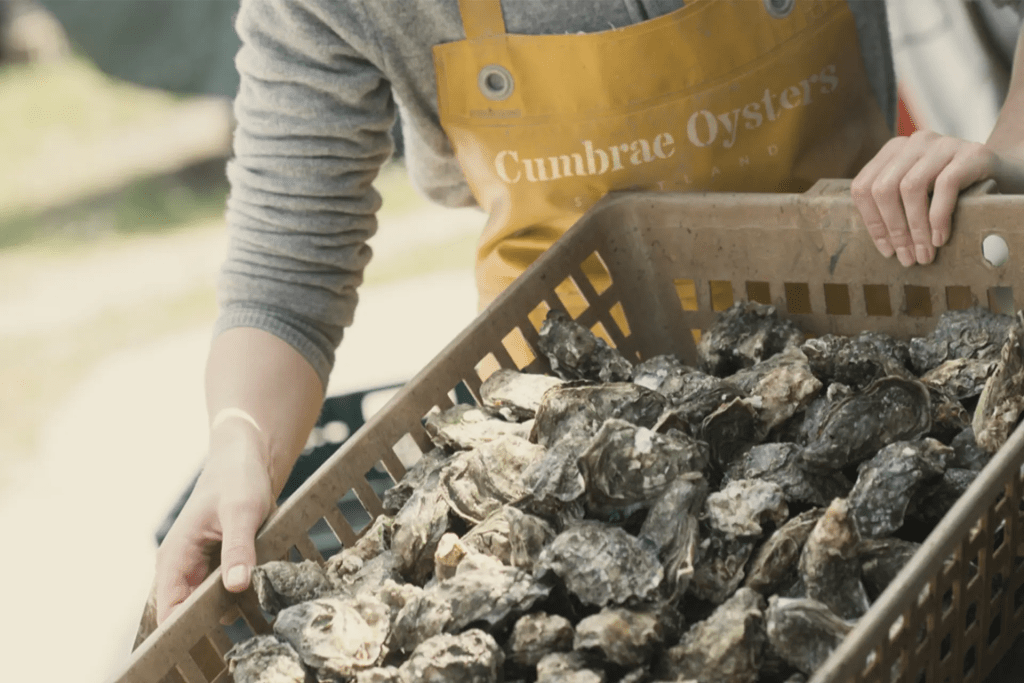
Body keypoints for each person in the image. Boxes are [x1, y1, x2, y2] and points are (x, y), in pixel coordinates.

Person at [153, 0, 1024, 625]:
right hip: (562, 404)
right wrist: (241, 438)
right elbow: (286, 271)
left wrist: (1007, 151)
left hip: (873, 326)